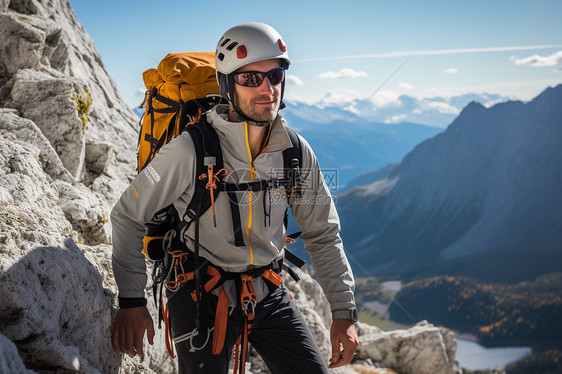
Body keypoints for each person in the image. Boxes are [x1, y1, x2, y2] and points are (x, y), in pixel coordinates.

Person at [110, 22, 359, 373]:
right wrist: (131, 301)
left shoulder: (295, 152)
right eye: (250, 78)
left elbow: (322, 232)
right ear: (227, 84)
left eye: (275, 75)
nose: (267, 88)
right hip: (199, 293)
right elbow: (127, 215)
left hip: (267, 292)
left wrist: (344, 313)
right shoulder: (190, 149)